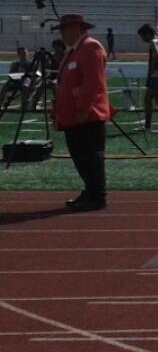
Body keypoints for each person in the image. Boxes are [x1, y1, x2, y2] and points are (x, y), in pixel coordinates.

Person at [52, 14, 115, 211]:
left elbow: (93, 83)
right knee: (79, 155)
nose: (62, 34)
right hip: (72, 115)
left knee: (90, 156)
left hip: (88, 115)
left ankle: (98, 195)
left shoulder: (90, 47)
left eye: (65, 29)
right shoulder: (73, 51)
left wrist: (83, 108)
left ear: (78, 29)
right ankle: (90, 191)